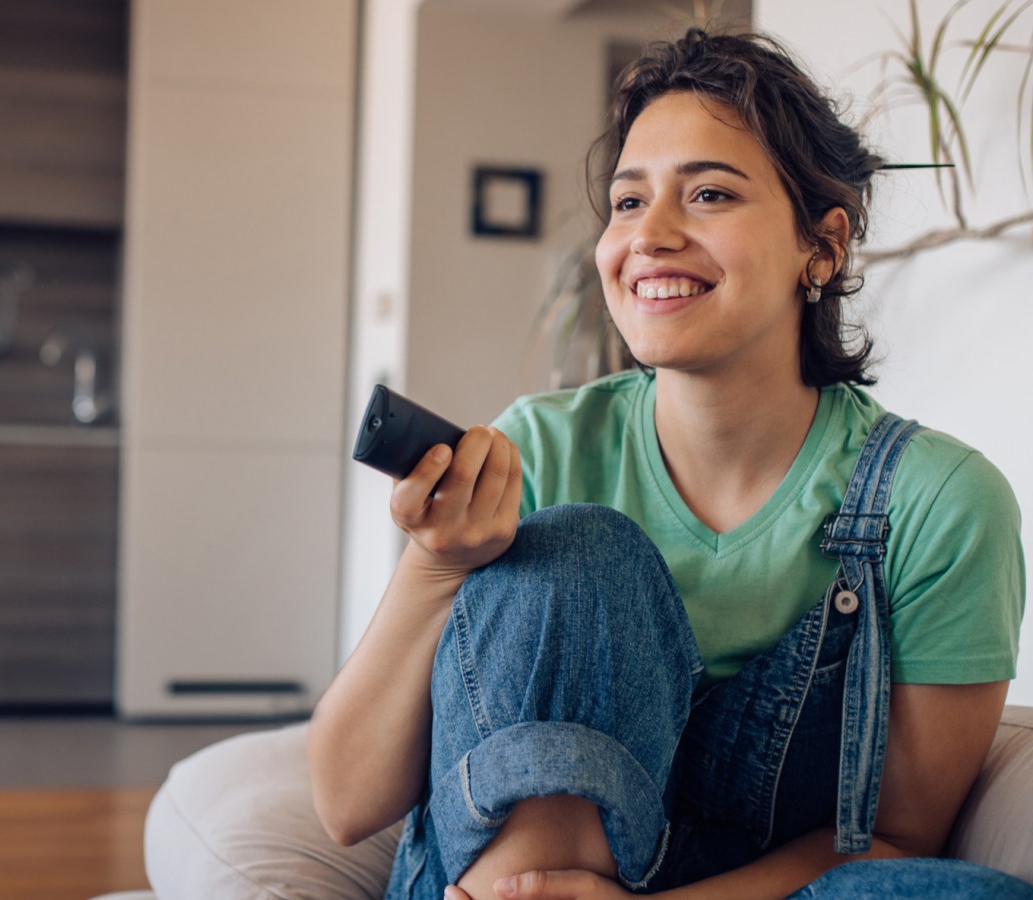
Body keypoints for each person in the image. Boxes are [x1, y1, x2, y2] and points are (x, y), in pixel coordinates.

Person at [308, 27, 1028, 900]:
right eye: (625, 202)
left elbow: (896, 838)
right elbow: (346, 806)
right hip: (507, 880)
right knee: (579, 550)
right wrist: (436, 565)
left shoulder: (940, 503)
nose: (648, 236)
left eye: (711, 194)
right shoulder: (540, 447)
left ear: (824, 246)